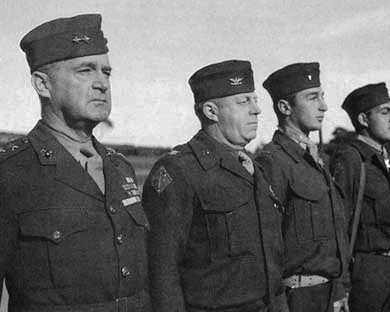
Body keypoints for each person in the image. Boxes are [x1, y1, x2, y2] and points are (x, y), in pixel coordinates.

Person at [0, 14, 151, 311]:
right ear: (43, 84)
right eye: (85, 71)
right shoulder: (10, 173)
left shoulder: (120, 168)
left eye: (106, 72)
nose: (102, 84)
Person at [142, 60, 288, 312]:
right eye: (243, 101)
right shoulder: (180, 171)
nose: (256, 110)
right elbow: (162, 272)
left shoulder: (256, 171)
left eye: (255, 100)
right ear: (211, 111)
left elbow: (272, 266)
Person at [255, 62, 350, 312]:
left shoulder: (317, 159)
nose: (324, 106)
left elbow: (334, 235)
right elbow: (266, 247)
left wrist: (338, 290)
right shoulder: (273, 161)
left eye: (322, 96)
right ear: (285, 107)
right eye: (312, 97)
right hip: (296, 297)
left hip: (327, 293)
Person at [330, 82, 390, 312]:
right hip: (362, 272)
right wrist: (341, 286)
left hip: (388, 268)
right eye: (385, 112)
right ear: (364, 120)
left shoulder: (388, 160)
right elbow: (339, 226)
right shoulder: (350, 159)